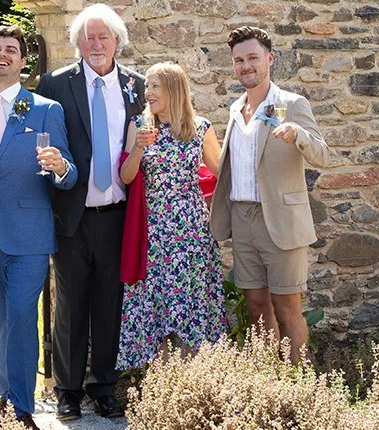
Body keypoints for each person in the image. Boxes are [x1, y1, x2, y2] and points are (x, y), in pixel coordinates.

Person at [35, 4, 144, 421]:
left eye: (104, 37)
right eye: (89, 38)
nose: (96, 45)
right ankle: (67, 389)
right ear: (77, 43)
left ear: (117, 41)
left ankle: (103, 385)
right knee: (70, 304)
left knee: (109, 302)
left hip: (117, 212)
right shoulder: (55, 84)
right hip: (71, 213)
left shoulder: (136, 86)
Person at [0, 23, 76, 430]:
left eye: (11, 49)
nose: (3, 55)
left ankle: (23, 410)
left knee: (20, 315)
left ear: (22, 61)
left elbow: (69, 175)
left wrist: (59, 166)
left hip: (29, 235)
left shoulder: (45, 109)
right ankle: (2, 401)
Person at [209, 26, 335, 363]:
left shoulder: (292, 104)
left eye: (253, 58)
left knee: (287, 308)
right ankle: (269, 385)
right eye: (239, 60)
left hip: (280, 220)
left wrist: (298, 135)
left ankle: (297, 385)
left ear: (270, 59)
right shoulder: (236, 109)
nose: (246, 65)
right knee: (256, 306)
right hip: (243, 218)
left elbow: (323, 155)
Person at [116, 62, 226, 369]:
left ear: (174, 90)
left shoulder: (199, 127)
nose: (147, 93)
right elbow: (125, 177)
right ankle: (160, 387)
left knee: (191, 304)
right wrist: (137, 148)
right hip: (151, 230)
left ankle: (197, 382)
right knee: (155, 305)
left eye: (154, 87)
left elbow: (221, 172)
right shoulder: (139, 125)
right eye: (147, 86)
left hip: (191, 229)